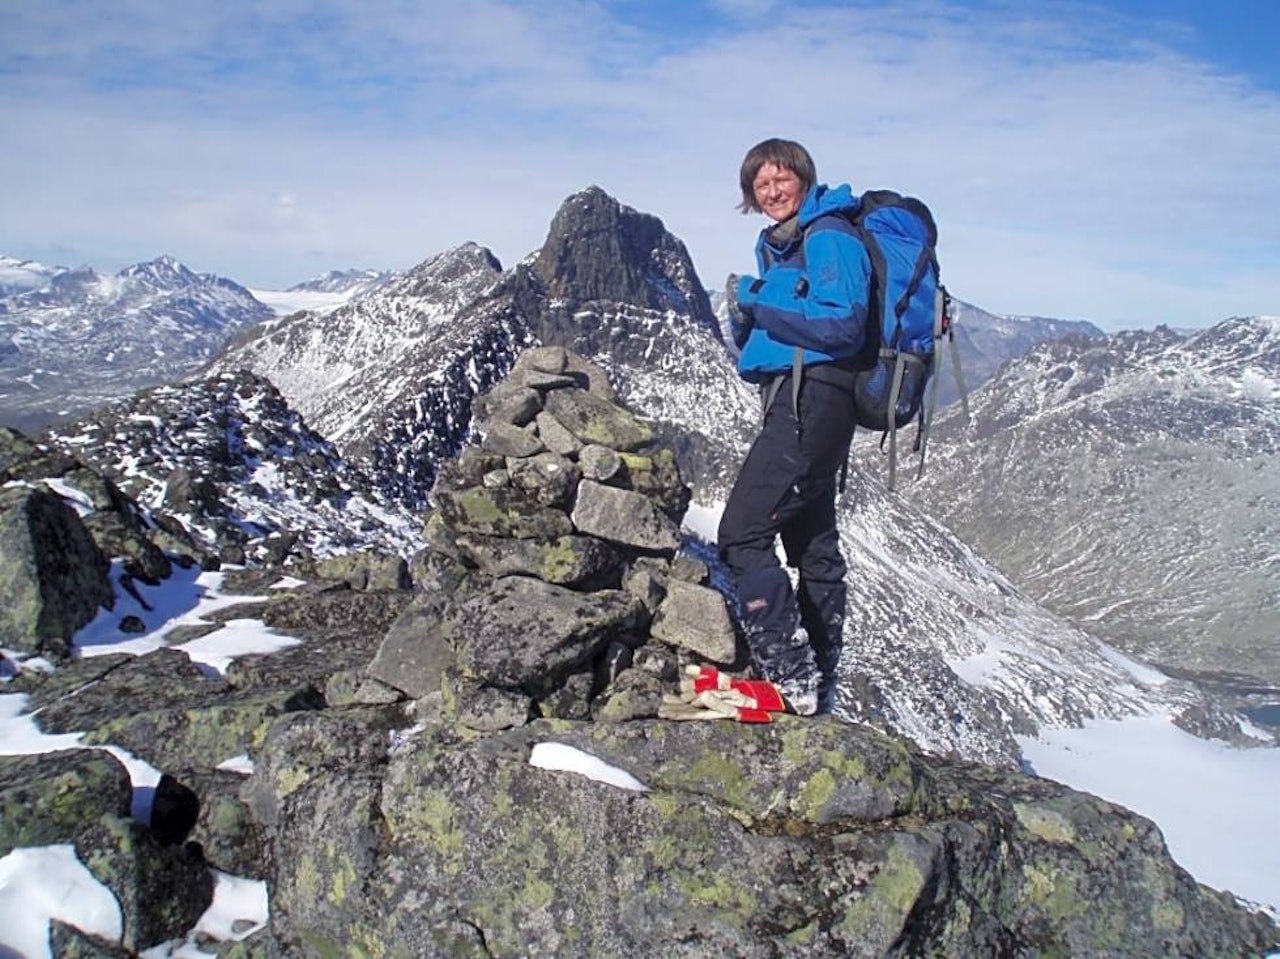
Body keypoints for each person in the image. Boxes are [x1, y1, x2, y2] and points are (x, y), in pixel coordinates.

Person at [718, 137, 871, 716]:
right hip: (806, 396)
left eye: (781, 178)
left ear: (804, 179)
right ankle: (819, 680)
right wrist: (748, 316)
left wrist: (757, 297)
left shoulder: (827, 234)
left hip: (813, 400)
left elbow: (842, 323)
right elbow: (777, 333)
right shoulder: (783, 246)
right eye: (760, 185)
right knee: (812, 540)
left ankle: (790, 675)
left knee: (742, 534)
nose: (771, 190)